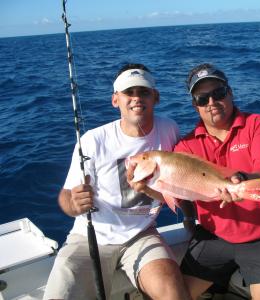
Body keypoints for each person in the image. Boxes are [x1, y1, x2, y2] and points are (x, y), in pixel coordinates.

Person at [44, 63, 191, 300]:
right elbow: (66, 195)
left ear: (156, 97)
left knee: (173, 292)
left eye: (143, 92)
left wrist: (191, 216)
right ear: (115, 100)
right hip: (90, 237)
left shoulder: (169, 129)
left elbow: (184, 178)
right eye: (128, 93)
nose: (136, 98)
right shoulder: (93, 140)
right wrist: (74, 204)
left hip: (142, 234)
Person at [175, 63, 260, 300]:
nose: (211, 102)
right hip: (212, 236)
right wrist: (147, 187)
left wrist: (243, 181)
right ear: (194, 105)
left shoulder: (257, 125)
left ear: (230, 92)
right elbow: (176, 190)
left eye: (218, 93)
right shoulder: (186, 147)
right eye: (202, 98)